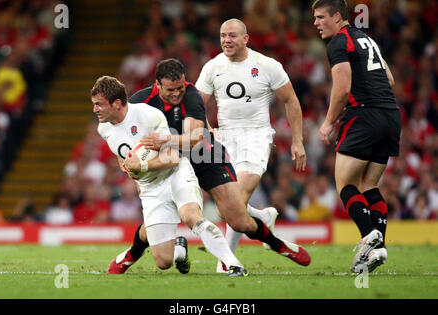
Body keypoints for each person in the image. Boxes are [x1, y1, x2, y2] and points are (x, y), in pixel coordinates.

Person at [129, 58, 310, 273]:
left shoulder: (192, 95)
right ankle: (174, 248)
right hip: (169, 163)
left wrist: (164, 140)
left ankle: (277, 244)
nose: (177, 94)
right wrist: (137, 168)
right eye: (171, 90)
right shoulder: (139, 103)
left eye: (180, 87)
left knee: (238, 220)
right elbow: (129, 140)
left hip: (205, 157)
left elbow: (195, 138)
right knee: (169, 223)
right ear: (157, 85)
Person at [91, 75, 247, 276]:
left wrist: (143, 166)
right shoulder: (103, 128)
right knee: (164, 261)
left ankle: (233, 264)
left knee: (191, 216)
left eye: (99, 104)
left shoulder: (149, 115)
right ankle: (179, 247)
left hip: (175, 173)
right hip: (151, 188)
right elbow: (125, 154)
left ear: (117, 103)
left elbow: (172, 158)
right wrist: (126, 166)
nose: (95, 109)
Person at [194, 19, 308, 270]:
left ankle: (226, 262)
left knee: (235, 198)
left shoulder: (267, 65)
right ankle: (263, 216)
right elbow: (196, 105)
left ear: (246, 39)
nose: (226, 40)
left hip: (256, 137)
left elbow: (290, 100)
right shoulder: (213, 67)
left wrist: (297, 140)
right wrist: (208, 129)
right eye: (223, 35)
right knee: (227, 210)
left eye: (232, 35)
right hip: (225, 139)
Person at [312, 0, 401, 273]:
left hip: (364, 115)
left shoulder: (339, 42)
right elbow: (390, 79)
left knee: (345, 185)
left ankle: (368, 235)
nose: (316, 23)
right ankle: (379, 249)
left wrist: (328, 123)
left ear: (337, 17)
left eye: (320, 17)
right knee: (369, 186)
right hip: (390, 115)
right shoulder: (367, 39)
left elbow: (342, 88)